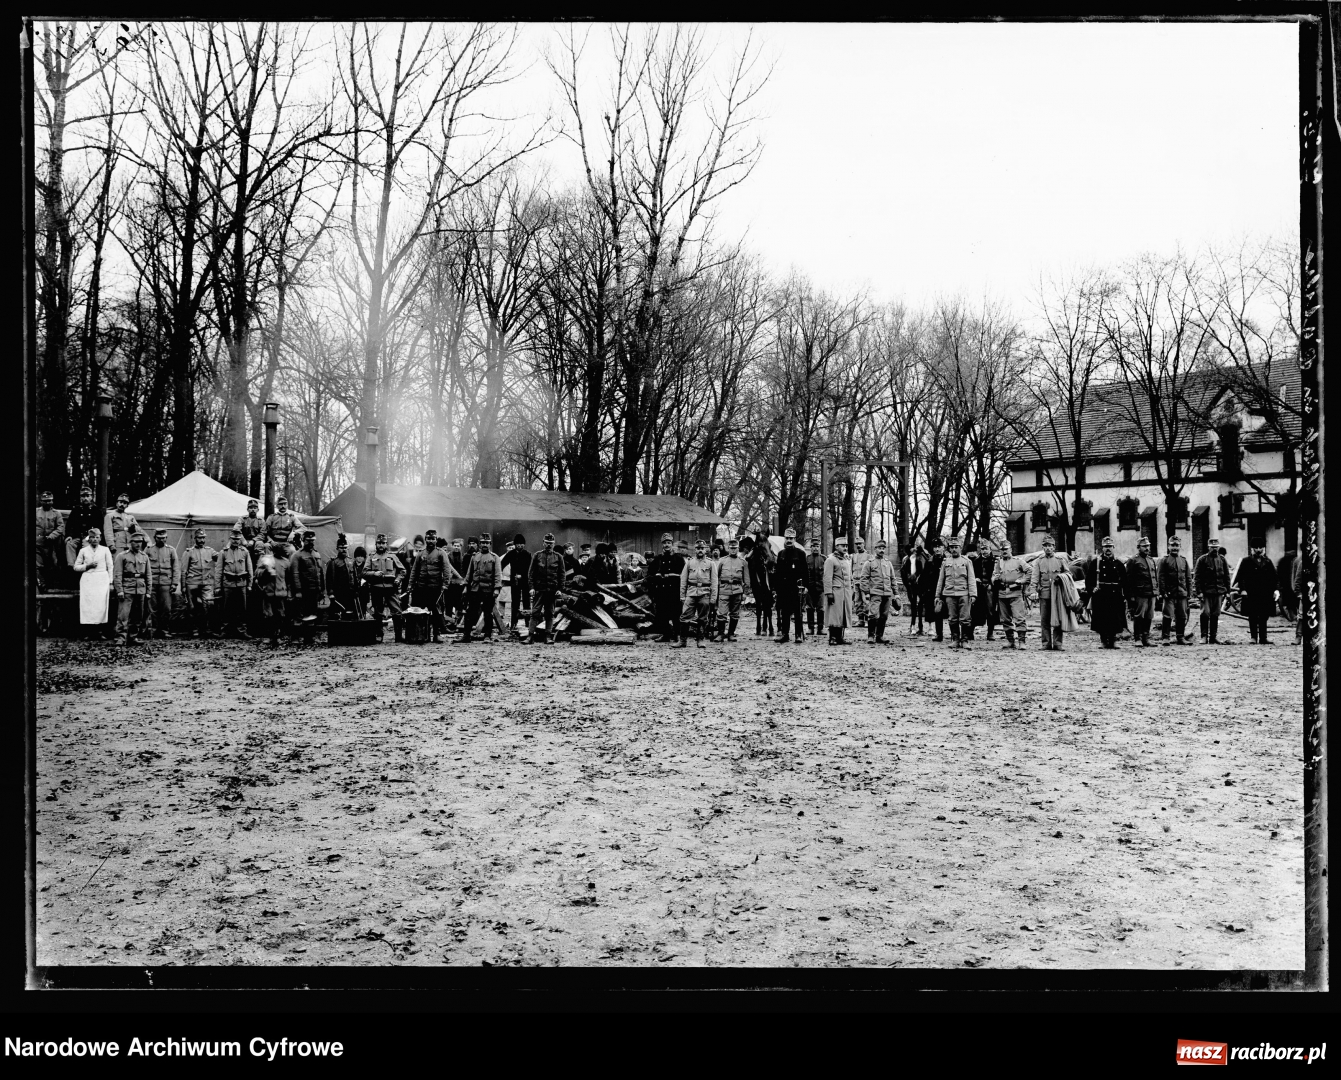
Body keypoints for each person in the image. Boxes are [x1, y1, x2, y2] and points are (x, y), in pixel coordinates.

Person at [1029, 535, 1077, 650]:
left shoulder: (1060, 560)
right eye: (1045, 546)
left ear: (1054, 547)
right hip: (1044, 595)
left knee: (1058, 619)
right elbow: (1034, 578)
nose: (1047, 548)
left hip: (1058, 595)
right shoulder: (1039, 561)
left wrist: (1060, 577)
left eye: (1049, 546)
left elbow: (1069, 574)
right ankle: (1045, 644)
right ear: (1043, 547)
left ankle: (1058, 644)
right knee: (1044, 620)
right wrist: (1032, 591)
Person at [459, 532, 503, 643]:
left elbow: (498, 574)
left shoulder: (494, 558)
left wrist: (497, 588)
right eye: (482, 542)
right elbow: (469, 574)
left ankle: (487, 636)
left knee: (488, 613)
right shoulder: (475, 557)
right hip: (475, 589)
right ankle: (466, 635)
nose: (484, 545)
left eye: (487, 543)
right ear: (480, 544)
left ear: (490, 544)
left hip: (488, 589)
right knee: (470, 612)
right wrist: (465, 586)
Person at [1233, 540, 1279, 645]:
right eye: (1256, 547)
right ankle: (1253, 637)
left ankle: (1263, 637)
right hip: (1251, 592)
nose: (1259, 550)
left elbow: (1274, 577)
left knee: (1264, 615)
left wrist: (1275, 589)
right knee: (1253, 615)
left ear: (1264, 549)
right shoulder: (1246, 561)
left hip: (1265, 593)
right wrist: (1243, 589)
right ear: (1252, 549)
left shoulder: (1268, 561)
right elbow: (1241, 577)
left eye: (1261, 547)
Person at [1085, 536, 1128, 648]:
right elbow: (1088, 579)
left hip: (1115, 594)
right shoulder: (1096, 563)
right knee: (1102, 619)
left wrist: (1125, 594)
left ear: (1113, 547)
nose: (1108, 549)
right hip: (1101, 594)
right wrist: (1092, 589)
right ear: (1102, 548)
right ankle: (1104, 640)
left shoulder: (1119, 563)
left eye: (1110, 546)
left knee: (1115, 618)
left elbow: (1125, 580)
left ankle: (1113, 641)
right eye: (1105, 547)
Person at [935, 536, 977, 648]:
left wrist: (973, 594)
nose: (954, 549)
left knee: (965, 618)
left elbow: (971, 579)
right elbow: (941, 580)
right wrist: (937, 595)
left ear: (960, 548)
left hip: (964, 593)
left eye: (956, 547)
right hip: (949, 594)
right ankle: (955, 639)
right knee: (952, 618)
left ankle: (965, 640)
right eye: (952, 547)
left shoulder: (966, 561)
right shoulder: (945, 562)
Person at [408, 530, 450, 642]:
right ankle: (423, 634)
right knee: (420, 611)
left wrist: (445, 584)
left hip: (435, 587)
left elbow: (446, 569)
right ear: (425, 539)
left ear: (436, 540)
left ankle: (437, 634)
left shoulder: (441, 553)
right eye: (428, 539)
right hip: (421, 587)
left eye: (433, 539)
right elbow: (414, 570)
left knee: (436, 611)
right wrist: (410, 584)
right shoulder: (420, 553)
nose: (431, 541)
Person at [73, 527, 114, 640]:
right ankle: (88, 631)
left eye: (97, 537)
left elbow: (110, 566)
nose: (95, 539)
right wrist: (87, 566)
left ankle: (99, 631)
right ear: (89, 539)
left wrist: (110, 582)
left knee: (100, 605)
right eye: (92, 537)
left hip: (102, 579)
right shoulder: (83, 551)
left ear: (100, 538)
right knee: (88, 605)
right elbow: (76, 567)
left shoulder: (105, 550)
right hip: (88, 579)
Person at [674, 538, 715, 649]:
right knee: (684, 617)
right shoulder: (689, 563)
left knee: (702, 618)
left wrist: (713, 598)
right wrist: (682, 596)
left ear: (705, 550)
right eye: (698, 548)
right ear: (695, 550)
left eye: (702, 548)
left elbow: (715, 582)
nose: (700, 550)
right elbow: (683, 580)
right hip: (691, 593)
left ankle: (700, 640)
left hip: (705, 593)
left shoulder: (711, 564)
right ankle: (682, 641)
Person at [113, 531, 151, 646]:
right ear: (130, 543)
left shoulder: (144, 556)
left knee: (138, 616)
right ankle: (120, 637)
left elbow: (148, 575)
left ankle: (133, 637)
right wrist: (119, 590)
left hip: (140, 589)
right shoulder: (122, 556)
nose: (138, 544)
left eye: (140, 542)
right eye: (135, 542)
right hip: (127, 589)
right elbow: (117, 574)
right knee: (123, 615)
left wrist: (148, 591)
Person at [991, 538, 1031, 649]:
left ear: (1011, 550)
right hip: (1002, 593)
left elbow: (1030, 571)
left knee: (1019, 617)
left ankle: (1022, 641)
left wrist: (1023, 581)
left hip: (1015, 592)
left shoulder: (1018, 561)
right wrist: (995, 579)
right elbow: (994, 575)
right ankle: (1010, 641)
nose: (1004, 551)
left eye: (1006, 549)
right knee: (1005, 619)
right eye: (1002, 549)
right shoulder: (999, 562)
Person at [365, 535, 405, 644]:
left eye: (383, 543)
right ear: (376, 544)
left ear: (386, 544)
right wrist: (374, 573)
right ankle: (379, 635)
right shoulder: (371, 557)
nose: (381, 545)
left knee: (397, 612)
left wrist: (398, 580)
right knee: (378, 613)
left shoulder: (392, 556)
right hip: (376, 588)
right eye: (379, 543)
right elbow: (364, 573)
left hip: (391, 588)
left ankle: (398, 636)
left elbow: (403, 571)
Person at [254, 541, 293, 648]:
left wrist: (289, 593)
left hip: (281, 593)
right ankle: (269, 636)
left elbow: (289, 580)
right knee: (268, 615)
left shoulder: (286, 563)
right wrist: (266, 570)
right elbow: (257, 574)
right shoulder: (266, 560)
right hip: (268, 593)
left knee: (280, 615)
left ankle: (278, 636)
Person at [290, 530, 327, 644]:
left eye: (312, 541)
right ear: (303, 540)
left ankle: (308, 637)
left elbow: (320, 573)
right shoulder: (297, 555)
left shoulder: (317, 554)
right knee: (299, 615)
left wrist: (321, 590)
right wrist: (298, 591)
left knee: (311, 614)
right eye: (308, 540)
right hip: (303, 590)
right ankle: (295, 637)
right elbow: (295, 574)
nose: (311, 543)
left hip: (314, 590)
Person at [647, 534, 685, 642]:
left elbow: (684, 575)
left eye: (668, 543)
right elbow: (650, 575)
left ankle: (677, 635)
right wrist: (656, 579)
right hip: (662, 592)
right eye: (664, 543)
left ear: (672, 544)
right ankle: (666, 634)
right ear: (662, 545)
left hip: (674, 591)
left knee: (676, 614)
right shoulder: (657, 559)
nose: (666, 545)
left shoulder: (678, 559)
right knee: (662, 614)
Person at [1194, 536, 1233, 644]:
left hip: (1218, 592)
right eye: (1212, 547)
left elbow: (1226, 577)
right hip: (1206, 592)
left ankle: (1213, 637)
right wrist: (1199, 592)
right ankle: (1203, 636)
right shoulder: (1202, 560)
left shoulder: (1222, 560)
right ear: (1208, 547)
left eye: (1216, 547)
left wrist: (1228, 592)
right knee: (1205, 613)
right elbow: (1197, 577)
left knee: (1215, 614)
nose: (1214, 549)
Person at [180, 529, 218, 639]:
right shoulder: (188, 552)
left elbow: (221, 557)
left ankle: (206, 629)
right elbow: (183, 571)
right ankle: (194, 629)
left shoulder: (210, 551)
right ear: (195, 539)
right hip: (192, 583)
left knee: (209, 606)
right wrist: (183, 586)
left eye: (203, 538)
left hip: (206, 583)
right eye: (199, 538)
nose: (201, 540)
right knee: (192, 607)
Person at [216, 528, 254, 638]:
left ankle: (242, 630)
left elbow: (250, 568)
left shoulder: (244, 552)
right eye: (233, 539)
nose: (236, 541)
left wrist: (250, 584)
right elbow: (218, 570)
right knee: (226, 608)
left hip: (241, 584)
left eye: (238, 539)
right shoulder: (223, 552)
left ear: (241, 540)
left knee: (242, 609)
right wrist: (217, 586)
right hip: (228, 584)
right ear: (230, 539)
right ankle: (225, 630)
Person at [773, 527, 809, 644]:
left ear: (794, 539)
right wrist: (776, 589)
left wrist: (806, 586)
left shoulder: (801, 553)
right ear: (785, 539)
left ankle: (798, 634)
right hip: (783, 588)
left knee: (798, 612)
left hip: (796, 587)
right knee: (785, 612)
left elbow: (805, 572)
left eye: (791, 538)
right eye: (787, 538)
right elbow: (777, 573)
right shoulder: (781, 554)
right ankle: (785, 634)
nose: (789, 540)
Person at [1124, 535, 1161, 647]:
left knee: (1149, 616)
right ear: (1138, 547)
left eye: (1148, 546)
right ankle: (1137, 638)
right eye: (1144, 546)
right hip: (1140, 594)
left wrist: (1156, 591)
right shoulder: (1133, 561)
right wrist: (1131, 596)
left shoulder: (1151, 560)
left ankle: (1146, 638)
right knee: (1139, 616)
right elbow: (1128, 580)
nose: (1146, 548)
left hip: (1151, 593)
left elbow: (1154, 577)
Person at [861, 538, 900, 644]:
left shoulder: (888, 563)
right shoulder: (869, 563)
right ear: (875, 549)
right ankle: (870, 636)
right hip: (875, 594)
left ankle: (879, 636)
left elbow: (893, 579)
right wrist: (866, 592)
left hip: (887, 594)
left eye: (883, 548)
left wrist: (896, 594)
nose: (881, 550)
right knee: (873, 615)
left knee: (884, 615)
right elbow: (864, 579)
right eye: (879, 548)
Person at [712, 536, 751, 642]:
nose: (733, 550)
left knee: (735, 614)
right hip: (724, 589)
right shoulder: (722, 561)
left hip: (737, 590)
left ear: (738, 549)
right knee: (722, 613)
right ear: (728, 549)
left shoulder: (743, 562)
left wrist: (745, 593)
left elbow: (747, 580)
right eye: (731, 548)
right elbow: (716, 576)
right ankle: (721, 634)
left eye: (735, 548)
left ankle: (731, 634)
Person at [530, 533, 566, 644]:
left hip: (552, 590)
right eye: (547, 543)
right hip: (539, 590)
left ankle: (548, 636)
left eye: (551, 543)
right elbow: (531, 574)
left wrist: (560, 588)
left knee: (549, 613)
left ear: (554, 544)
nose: (549, 545)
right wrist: (531, 587)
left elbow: (562, 574)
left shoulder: (558, 557)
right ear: (543, 543)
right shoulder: (537, 555)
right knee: (535, 613)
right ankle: (530, 636)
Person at [145, 527, 181, 639]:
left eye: (164, 538)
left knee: (166, 608)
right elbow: (144, 567)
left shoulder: (171, 550)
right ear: (155, 538)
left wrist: (175, 583)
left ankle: (164, 630)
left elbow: (176, 567)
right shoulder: (148, 550)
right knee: (152, 608)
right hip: (152, 583)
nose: (162, 540)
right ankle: (154, 630)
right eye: (159, 538)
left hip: (166, 583)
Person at [1157, 535, 1194, 645]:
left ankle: (1180, 637)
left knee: (1182, 615)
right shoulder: (1164, 560)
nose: (1175, 548)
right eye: (1172, 545)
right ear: (1168, 546)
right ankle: (1165, 637)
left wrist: (1189, 593)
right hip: (1170, 594)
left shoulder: (1183, 561)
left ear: (1180, 546)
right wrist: (1163, 592)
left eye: (1177, 545)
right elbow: (1161, 577)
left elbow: (1188, 578)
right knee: (1168, 615)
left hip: (1182, 593)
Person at [823, 535, 856, 646]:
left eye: (846, 546)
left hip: (846, 592)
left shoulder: (847, 560)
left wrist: (852, 590)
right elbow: (827, 578)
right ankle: (832, 637)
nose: (845, 548)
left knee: (843, 615)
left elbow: (850, 576)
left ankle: (840, 637)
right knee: (834, 615)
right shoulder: (830, 560)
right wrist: (829, 593)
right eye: (842, 546)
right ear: (836, 547)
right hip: (835, 592)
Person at [65, 487, 103, 580]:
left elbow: (100, 527)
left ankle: (86, 568)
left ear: (91, 497)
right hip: (77, 536)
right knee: (69, 544)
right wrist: (69, 535)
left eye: (87, 496)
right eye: (83, 496)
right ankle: (72, 567)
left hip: (90, 537)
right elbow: (69, 525)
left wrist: (93, 537)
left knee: (87, 547)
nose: (85, 498)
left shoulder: (96, 510)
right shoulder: (76, 510)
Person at [968, 539, 1000, 642]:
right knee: (975, 611)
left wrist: (993, 583)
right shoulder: (975, 561)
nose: (984, 551)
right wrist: (976, 579)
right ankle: (970, 633)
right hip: (979, 588)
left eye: (986, 548)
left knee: (991, 611)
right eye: (982, 549)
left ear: (990, 549)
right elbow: (972, 574)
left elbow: (998, 574)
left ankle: (990, 633)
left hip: (991, 589)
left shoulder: (995, 561)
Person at [746, 530, 775, 637]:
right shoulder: (754, 547)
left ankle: (768, 626)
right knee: (758, 601)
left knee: (767, 601)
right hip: (756, 571)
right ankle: (759, 626)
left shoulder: (767, 547)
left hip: (767, 570)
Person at [326, 536, 362, 619]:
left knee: (350, 614)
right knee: (337, 615)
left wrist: (356, 589)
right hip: (338, 594)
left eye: (345, 548)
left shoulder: (351, 561)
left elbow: (355, 576)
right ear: (337, 548)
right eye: (341, 548)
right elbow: (329, 579)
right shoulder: (333, 562)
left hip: (350, 593)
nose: (343, 550)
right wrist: (331, 593)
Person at [36, 490, 65, 591]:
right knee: (37, 566)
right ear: (41, 501)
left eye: (49, 501)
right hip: (37, 544)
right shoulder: (36, 512)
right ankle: (41, 585)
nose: (47, 503)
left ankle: (52, 588)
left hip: (52, 545)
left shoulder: (56, 514)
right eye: (45, 501)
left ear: (52, 501)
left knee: (53, 566)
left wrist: (52, 536)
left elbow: (61, 527)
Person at [502, 534, 532, 630]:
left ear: (524, 544)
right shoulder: (511, 554)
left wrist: (523, 575)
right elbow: (502, 564)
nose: (519, 546)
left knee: (526, 601)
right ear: (515, 544)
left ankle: (528, 622)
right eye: (518, 544)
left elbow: (530, 569)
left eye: (522, 544)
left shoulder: (527, 554)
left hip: (525, 581)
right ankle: (513, 623)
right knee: (515, 602)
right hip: (514, 581)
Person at [919, 538, 947, 641]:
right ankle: (939, 634)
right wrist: (924, 591)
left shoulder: (948, 560)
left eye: (939, 547)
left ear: (943, 548)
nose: (937, 549)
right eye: (935, 547)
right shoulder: (929, 561)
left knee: (952, 614)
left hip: (947, 589)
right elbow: (924, 576)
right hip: (933, 590)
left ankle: (954, 635)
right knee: (936, 612)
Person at [901, 537, 928, 635]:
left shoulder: (921, 558)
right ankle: (912, 626)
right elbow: (903, 573)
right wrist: (907, 584)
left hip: (920, 585)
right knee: (913, 605)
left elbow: (924, 572)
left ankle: (920, 626)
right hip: (911, 585)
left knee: (920, 605)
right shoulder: (906, 560)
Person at [805, 536, 826, 639]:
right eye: (813, 546)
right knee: (809, 608)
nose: (815, 548)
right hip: (809, 588)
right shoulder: (807, 559)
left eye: (817, 546)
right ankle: (810, 627)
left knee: (821, 608)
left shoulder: (824, 559)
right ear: (810, 547)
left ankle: (820, 628)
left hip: (821, 588)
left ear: (820, 547)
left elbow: (827, 574)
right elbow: (804, 574)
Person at [850, 536, 871, 628]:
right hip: (855, 582)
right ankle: (860, 620)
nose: (858, 546)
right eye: (857, 544)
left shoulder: (869, 556)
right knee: (857, 601)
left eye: (860, 544)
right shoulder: (853, 556)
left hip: (865, 582)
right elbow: (851, 569)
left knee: (866, 601)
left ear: (864, 544)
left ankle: (867, 620)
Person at [1276, 548, 1298, 627]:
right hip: (1288, 584)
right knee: (1291, 603)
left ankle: (1293, 617)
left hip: (1287, 584)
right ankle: (1293, 617)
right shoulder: (1293, 561)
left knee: (1290, 603)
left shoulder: (1283, 561)